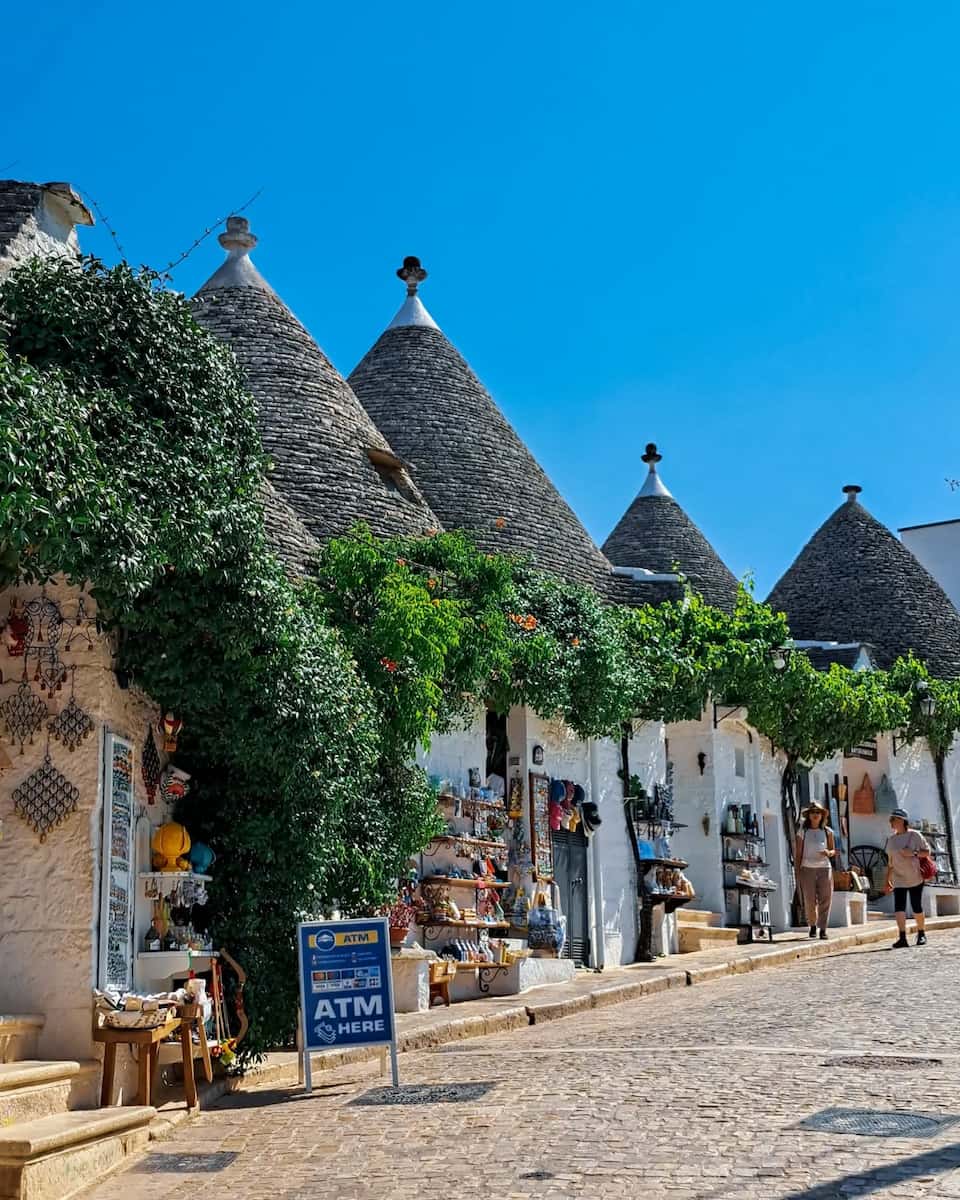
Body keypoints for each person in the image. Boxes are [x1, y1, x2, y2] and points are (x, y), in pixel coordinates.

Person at [884, 808, 931, 948]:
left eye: (894, 819)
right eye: (891, 819)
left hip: (915, 877)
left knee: (916, 906)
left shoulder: (915, 835)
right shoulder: (891, 840)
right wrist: (887, 880)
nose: (891, 822)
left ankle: (921, 933)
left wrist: (913, 853)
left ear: (902, 821)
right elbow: (890, 863)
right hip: (898, 879)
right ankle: (902, 937)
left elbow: (927, 852)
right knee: (899, 908)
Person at [795, 800, 836, 940]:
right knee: (809, 900)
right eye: (813, 812)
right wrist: (797, 871)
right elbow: (798, 853)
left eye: (818, 812)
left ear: (822, 815)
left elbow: (833, 850)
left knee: (826, 898)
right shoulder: (803, 832)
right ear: (809, 815)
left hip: (824, 868)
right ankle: (812, 925)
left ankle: (823, 929)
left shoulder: (827, 831)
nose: (815, 814)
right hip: (807, 868)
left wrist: (828, 853)